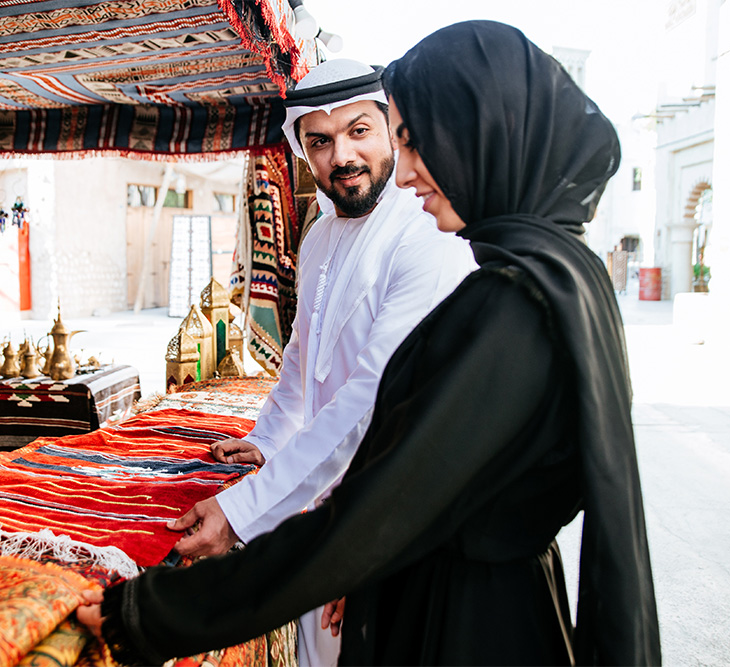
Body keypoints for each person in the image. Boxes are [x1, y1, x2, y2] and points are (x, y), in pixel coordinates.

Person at [79, 21, 661, 666]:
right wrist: (279, 455)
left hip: (463, 620)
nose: (403, 168)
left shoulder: (502, 292)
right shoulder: (555, 271)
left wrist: (149, 611)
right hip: (419, 564)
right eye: (322, 141)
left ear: (481, 137)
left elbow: (383, 443)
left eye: (402, 139)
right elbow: (315, 367)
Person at [165, 58, 476, 664]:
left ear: (392, 131)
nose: (343, 157)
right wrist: (268, 440)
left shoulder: (426, 235)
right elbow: (304, 357)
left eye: (359, 131)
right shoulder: (321, 236)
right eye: (321, 141)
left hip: (392, 515)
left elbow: (368, 400)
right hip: (325, 505)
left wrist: (241, 511)